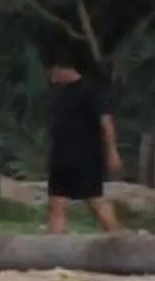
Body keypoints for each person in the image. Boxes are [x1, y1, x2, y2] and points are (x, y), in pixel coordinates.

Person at [44, 55, 120, 233]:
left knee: (94, 201)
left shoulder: (91, 91)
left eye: (52, 72)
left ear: (61, 69)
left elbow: (106, 123)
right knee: (57, 205)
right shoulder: (60, 95)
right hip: (61, 157)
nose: (51, 77)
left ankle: (118, 240)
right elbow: (57, 128)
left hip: (86, 157)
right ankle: (54, 252)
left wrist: (112, 151)